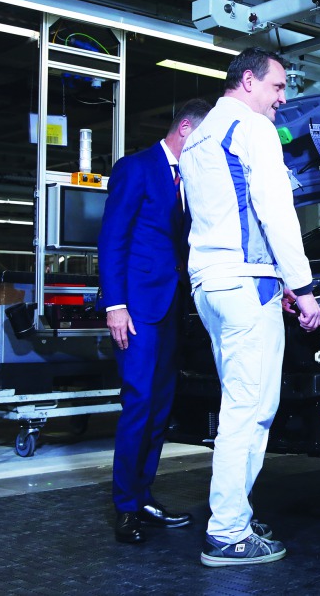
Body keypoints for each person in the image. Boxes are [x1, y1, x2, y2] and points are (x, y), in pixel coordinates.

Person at [178, 48, 320, 567]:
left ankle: (235, 511)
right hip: (246, 286)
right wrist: (301, 286)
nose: (282, 99)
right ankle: (229, 531)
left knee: (242, 406)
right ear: (247, 81)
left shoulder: (198, 136)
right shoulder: (252, 129)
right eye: (278, 87)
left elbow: (204, 217)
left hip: (211, 286)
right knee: (250, 412)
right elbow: (275, 213)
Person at [99, 98, 211, 544]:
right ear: (185, 129)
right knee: (139, 404)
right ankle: (125, 506)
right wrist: (115, 306)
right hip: (138, 311)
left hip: (171, 311)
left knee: (161, 409)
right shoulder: (137, 167)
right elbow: (112, 239)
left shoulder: (188, 179)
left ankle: (143, 494)